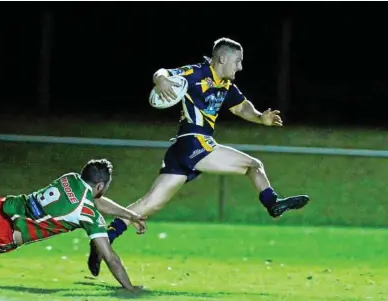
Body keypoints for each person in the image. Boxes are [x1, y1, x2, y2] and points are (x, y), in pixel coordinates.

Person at [87, 37, 310, 276]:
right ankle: (272, 203)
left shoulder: (225, 84)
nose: (240, 67)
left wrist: (260, 118)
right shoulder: (198, 72)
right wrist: (161, 79)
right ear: (222, 58)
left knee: (149, 205)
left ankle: (103, 239)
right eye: (238, 61)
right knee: (253, 165)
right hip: (194, 141)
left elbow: (241, 107)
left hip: (182, 148)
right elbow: (162, 72)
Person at [0, 158, 145, 292]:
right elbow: (110, 258)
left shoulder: (69, 179)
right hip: (5, 234)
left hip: (2, 207)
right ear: (100, 185)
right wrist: (130, 287)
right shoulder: (88, 215)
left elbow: (95, 200)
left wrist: (130, 215)